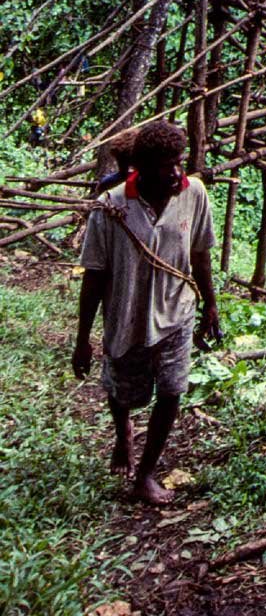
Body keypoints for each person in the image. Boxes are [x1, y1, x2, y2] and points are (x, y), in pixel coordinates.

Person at [72, 118, 222, 503]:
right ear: (141, 167)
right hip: (127, 314)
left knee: (172, 390)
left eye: (179, 161)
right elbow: (94, 276)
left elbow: (200, 254)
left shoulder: (194, 193)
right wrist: (83, 340)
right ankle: (123, 432)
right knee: (123, 391)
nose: (175, 172)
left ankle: (145, 474)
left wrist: (210, 306)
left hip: (176, 310)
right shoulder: (111, 207)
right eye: (164, 164)